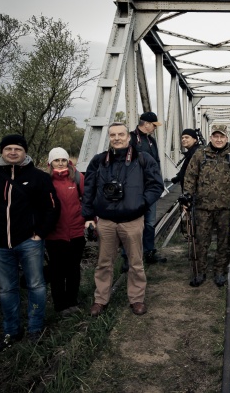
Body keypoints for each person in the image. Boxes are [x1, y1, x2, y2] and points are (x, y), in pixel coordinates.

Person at [0, 134, 60, 351]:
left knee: (36, 285)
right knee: (6, 289)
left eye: (18, 149)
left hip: (29, 242)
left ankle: (35, 328)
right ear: (2, 152)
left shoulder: (38, 177)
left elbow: (52, 208)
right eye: (8, 149)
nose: (13, 152)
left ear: (25, 152)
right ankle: (11, 330)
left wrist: (40, 233)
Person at [83, 122, 164, 317]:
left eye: (121, 134)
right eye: (113, 135)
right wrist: (88, 216)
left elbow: (156, 185)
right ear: (109, 138)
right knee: (104, 262)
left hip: (132, 220)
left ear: (128, 137)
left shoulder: (142, 159)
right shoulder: (99, 161)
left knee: (136, 262)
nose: (117, 138)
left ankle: (136, 299)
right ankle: (100, 299)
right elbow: (89, 189)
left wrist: (141, 204)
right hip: (106, 220)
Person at [183, 124, 230, 287]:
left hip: (226, 208)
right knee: (201, 241)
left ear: (227, 138)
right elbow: (190, 176)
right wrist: (187, 196)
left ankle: (220, 272)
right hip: (203, 207)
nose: (219, 139)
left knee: (224, 242)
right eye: (216, 136)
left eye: (222, 136)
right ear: (211, 137)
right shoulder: (200, 154)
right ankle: (200, 272)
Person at [45, 147, 86, 317]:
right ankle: (60, 305)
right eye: (57, 160)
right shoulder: (45, 181)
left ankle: (72, 301)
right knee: (57, 271)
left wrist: (91, 222)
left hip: (76, 232)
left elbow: (87, 199)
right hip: (55, 235)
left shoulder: (77, 178)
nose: (61, 163)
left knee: (73, 269)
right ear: (50, 163)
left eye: (63, 160)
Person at [130, 111, 166, 264]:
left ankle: (149, 252)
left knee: (150, 222)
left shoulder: (151, 140)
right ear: (146, 124)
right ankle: (129, 257)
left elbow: (157, 162)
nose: (155, 128)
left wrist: (158, 183)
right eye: (154, 125)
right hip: (134, 188)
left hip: (150, 188)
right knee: (132, 222)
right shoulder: (130, 138)